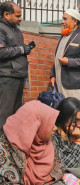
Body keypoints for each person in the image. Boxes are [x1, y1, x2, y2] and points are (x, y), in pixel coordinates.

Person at [50, 8, 80, 125]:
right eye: (63, 18)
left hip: (76, 86)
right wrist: (53, 75)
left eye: (65, 19)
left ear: (75, 21)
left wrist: (69, 62)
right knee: (67, 115)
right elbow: (57, 58)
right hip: (61, 84)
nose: (62, 21)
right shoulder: (64, 36)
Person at [0, 1, 34, 135]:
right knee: (4, 115)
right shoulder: (1, 28)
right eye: (18, 16)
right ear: (6, 14)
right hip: (7, 77)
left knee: (14, 115)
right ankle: (2, 149)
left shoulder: (16, 30)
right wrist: (21, 50)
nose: (20, 19)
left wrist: (25, 50)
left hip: (18, 76)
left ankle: (11, 144)